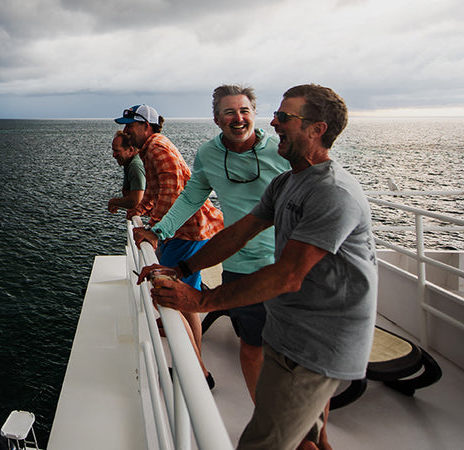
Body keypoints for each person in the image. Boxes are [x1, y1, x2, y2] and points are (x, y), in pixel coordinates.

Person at [137, 84, 377, 450]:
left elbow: (289, 274)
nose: (272, 123)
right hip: (288, 318)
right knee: (304, 437)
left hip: (318, 337)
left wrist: (201, 301)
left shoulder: (332, 192)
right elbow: (239, 232)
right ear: (217, 119)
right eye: (276, 114)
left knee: (265, 440)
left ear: (317, 129)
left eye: (284, 117)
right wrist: (183, 268)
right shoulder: (287, 182)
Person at [133, 85, 290, 401]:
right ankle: (265, 419)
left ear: (254, 115)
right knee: (252, 347)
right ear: (217, 119)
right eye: (229, 112)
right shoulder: (209, 154)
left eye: (244, 110)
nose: (238, 118)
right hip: (241, 264)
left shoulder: (280, 150)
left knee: (297, 354)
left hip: (288, 263)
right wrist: (158, 231)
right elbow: (191, 196)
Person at [116, 104, 225, 381]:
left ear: (147, 127)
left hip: (185, 232)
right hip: (186, 232)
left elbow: (173, 190)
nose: (127, 130)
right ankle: (195, 359)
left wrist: (156, 230)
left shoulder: (157, 147)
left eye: (131, 125)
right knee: (187, 296)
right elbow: (155, 190)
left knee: (181, 299)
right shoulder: (149, 148)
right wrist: (143, 208)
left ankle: (199, 370)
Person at [107, 130, 145, 213]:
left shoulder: (135, 165)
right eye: (113, 151)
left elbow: (135, 201)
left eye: (117, 151)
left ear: (131, 150)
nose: (113, 155)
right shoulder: (128, 163)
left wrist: (113, 202)